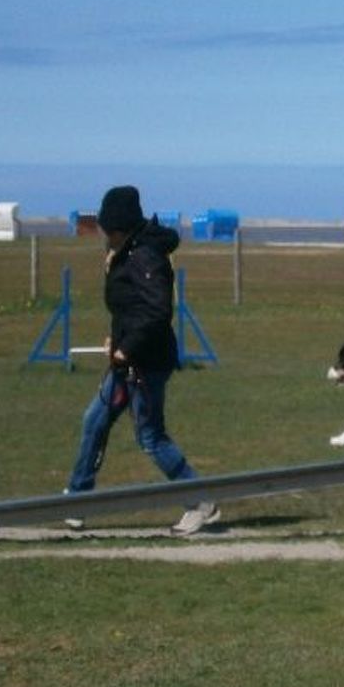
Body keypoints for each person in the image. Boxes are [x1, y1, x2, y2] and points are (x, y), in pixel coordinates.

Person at [63, 184, 220, 536]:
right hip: (127, 360)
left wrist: (127, 347)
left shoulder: (145, 256)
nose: (104, 235)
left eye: (108, 229)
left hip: (147, 364)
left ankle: (200, 499)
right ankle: (77, 498)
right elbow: (129, 307)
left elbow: (156, 311)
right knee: (94, 421)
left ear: (120, 227)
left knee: (150, 437)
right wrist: (115, 339)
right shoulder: (125, 252)